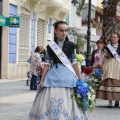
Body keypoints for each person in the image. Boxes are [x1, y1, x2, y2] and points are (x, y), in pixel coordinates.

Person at [29, 21, 85, 120]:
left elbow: (74, 63)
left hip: (67, 75)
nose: (64, 33)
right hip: (53, 74)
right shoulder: (51, 46)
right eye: (61, 30)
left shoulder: (71, 45)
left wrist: (80, 79)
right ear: (55, 31)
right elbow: (47, 64)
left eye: (65, 30)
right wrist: (42, 80)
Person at [97, 32, 120, 108]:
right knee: (109, 81)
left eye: (114, 37)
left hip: (118, 66)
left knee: (117, 82)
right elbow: (105, 57)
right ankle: (110, 102)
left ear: (118, 39)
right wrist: (102, 66)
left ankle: (117, 100)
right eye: (112, 37)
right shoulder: (108, 47)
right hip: (109, 66)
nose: (113, 38)